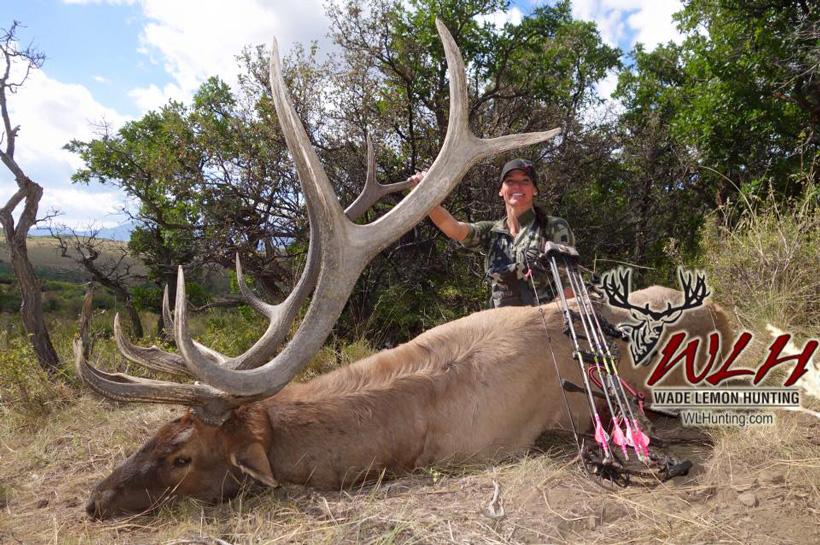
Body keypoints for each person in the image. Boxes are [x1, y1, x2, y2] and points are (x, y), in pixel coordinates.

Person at [409, 158, 574, 308]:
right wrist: (425, 195)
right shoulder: (491, 231)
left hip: (544, 326)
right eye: (510, 181)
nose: (517, 186)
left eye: (525, 181)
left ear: (535, 190)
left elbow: (569, 285)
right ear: (501, 190)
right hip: (500, 326)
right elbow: (454, 229)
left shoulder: (553, 227)